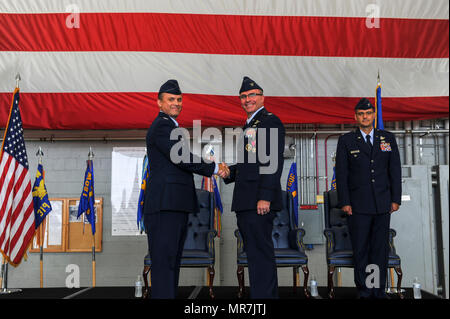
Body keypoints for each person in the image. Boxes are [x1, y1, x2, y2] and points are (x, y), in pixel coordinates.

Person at [143, 79, 229, 298]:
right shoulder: (162, 125)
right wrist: (212, 168)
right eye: (171, 99)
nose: (176, 103)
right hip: (165, 206)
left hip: (173, 205)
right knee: (165, 266)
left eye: (179, 100)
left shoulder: (172, 127)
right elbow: (180, 157)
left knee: (171, 264)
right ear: (159, 102)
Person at [224, 76, 285, 298]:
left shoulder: (269, 121)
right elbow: (250, 165)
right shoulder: (250, 125)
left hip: (257, 202)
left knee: (260, 256)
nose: (248, 99)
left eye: (252, 95)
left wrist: (265, 197)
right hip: (247, 201)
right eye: (244, 96)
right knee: (256, 256)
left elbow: (272, 162)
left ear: (262, 97)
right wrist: (229, 172)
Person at [335, 98, 401, 299]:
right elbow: (342, 174)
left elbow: (394, 170)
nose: (365, 117)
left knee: (378, 250)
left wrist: (395, 198)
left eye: (368, 113)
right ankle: (364, 290)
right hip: (358, 206)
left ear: (374, 115)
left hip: (382, 204)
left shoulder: (387, 138)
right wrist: (345, 202)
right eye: (361, 114)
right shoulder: (346, 141)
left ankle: (377, 290)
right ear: (355, 117)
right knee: (361, 249)